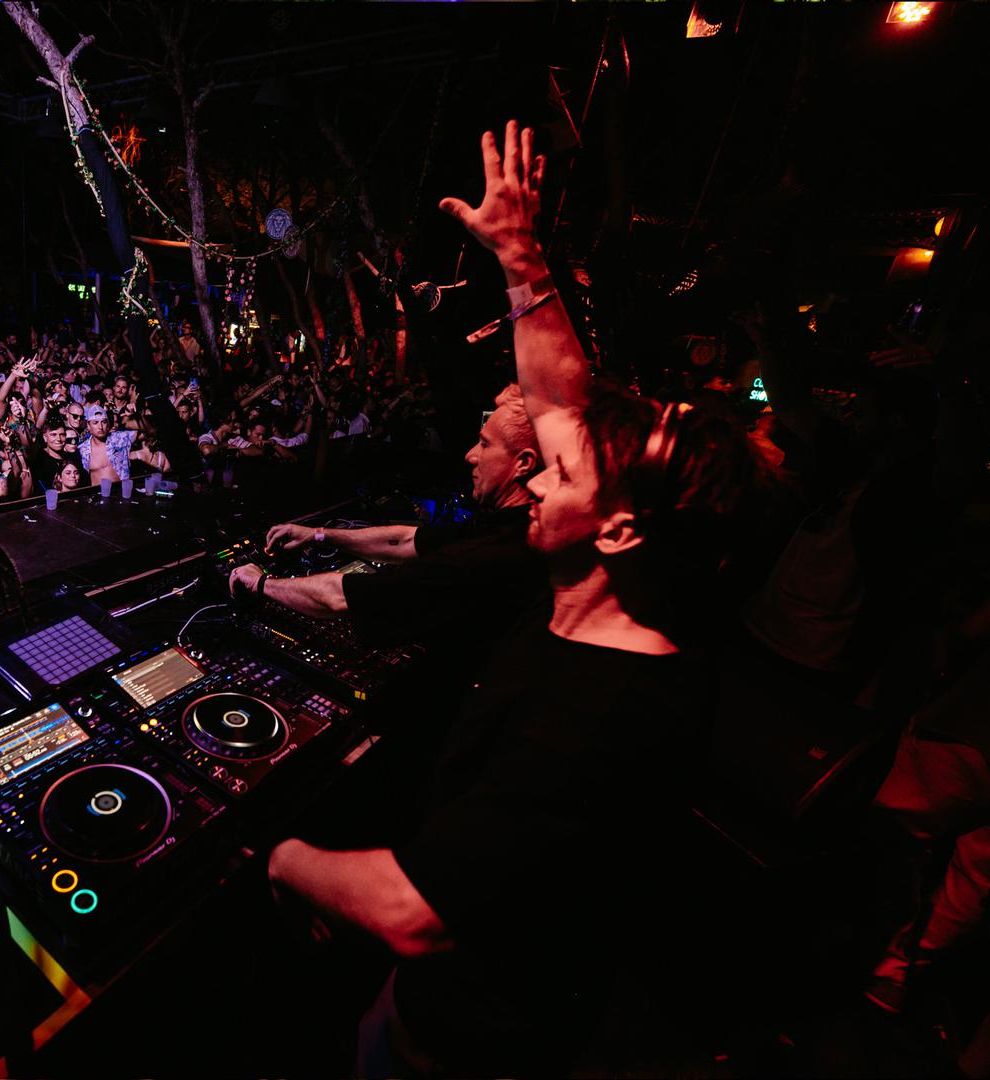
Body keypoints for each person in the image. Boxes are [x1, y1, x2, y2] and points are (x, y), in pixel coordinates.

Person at [265, 121, 760, 1077]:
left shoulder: (601, 721)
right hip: (434, 994)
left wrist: (280, 859)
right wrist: (523, 261)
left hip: (475, 1037)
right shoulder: (614, 587)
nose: (533, 478)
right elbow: (560, 397)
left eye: (559, 476)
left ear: (620, 531)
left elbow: (411, 913)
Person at [233, 384, 544, 651]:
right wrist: (317, 534)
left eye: (485, 444)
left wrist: (260, 583)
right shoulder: (508, 523)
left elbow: (340, 597)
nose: (471, 454)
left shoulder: (498, 551)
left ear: (523, 463)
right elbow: (404, 539)